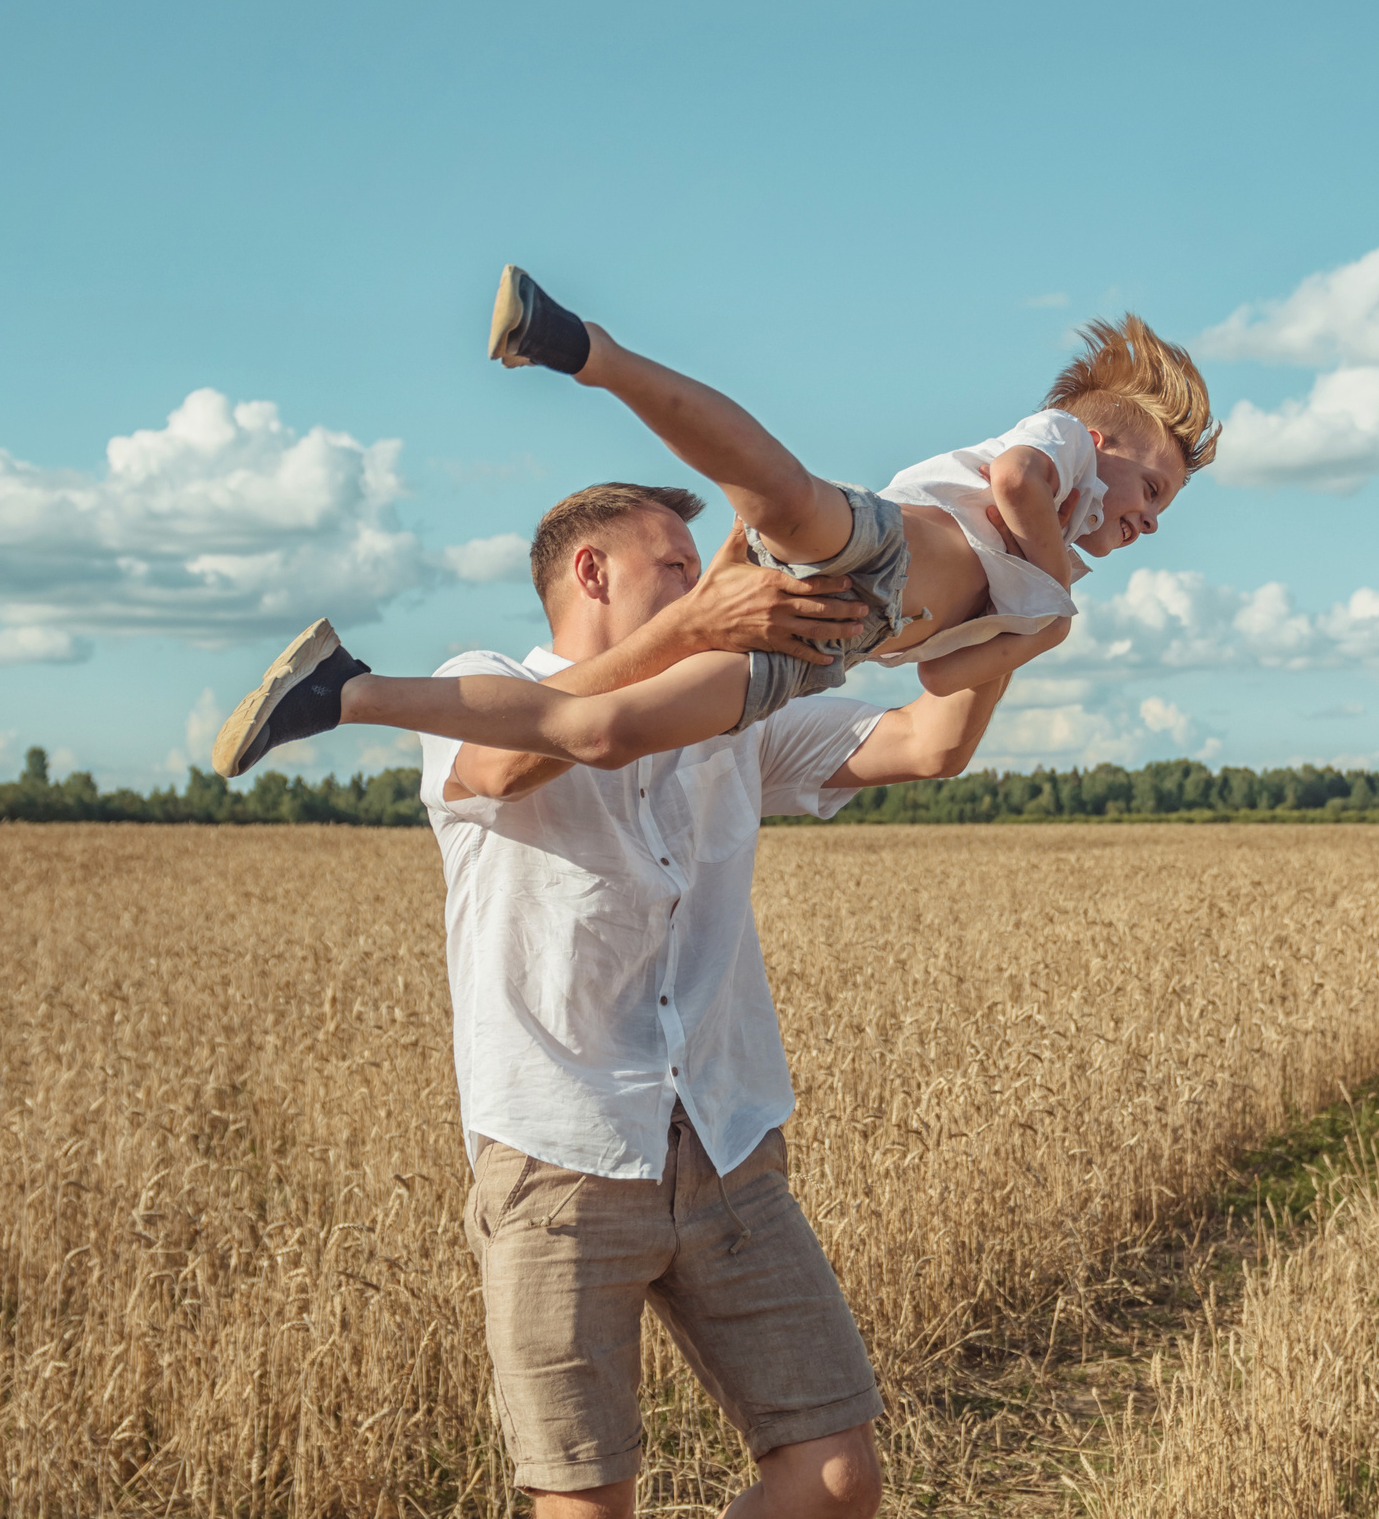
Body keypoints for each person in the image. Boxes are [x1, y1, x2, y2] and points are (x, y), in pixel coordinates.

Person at [420, 480, 1013, 1516]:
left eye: (703, 570)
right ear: (590, 572)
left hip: (725, 1144)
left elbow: (930, 744)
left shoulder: (736, 717)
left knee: (835, 1480)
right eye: (677, 569)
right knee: (583, 1506)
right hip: (560, 1156)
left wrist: (1016, 612)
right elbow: (518, 756)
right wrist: (696, 632)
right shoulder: (481, 680)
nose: (710, 588)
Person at [206, 272, 1217, 781]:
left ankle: (341, 693)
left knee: (603, 734)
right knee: (772, 488)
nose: (1150, 521)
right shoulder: (1064, 449)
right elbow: (1014, 482)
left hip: (827, 644)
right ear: (1108, 439)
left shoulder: (1041, 579)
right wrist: (1052, 602)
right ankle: (579, 347)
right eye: (1157, 491)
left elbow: (941, 683)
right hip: (884, 546)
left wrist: (1030, 633)